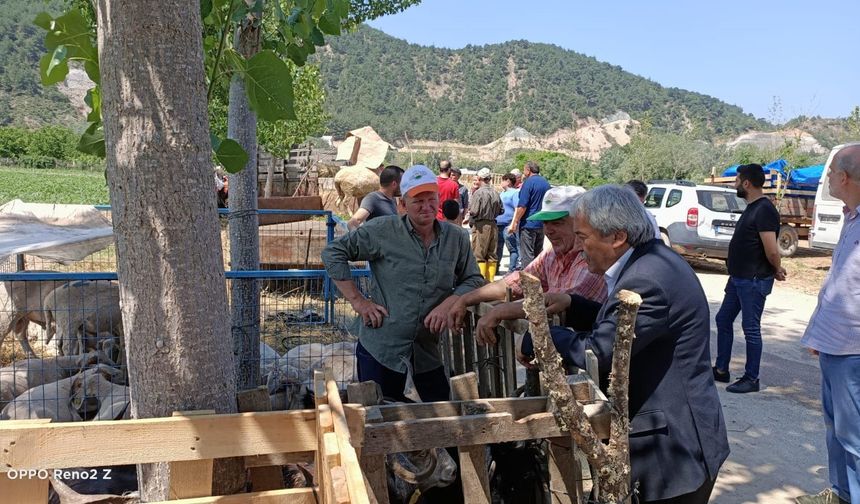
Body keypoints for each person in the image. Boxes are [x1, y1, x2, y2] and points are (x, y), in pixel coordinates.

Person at [516, 185, 729, 503]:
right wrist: (573, 303)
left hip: (673, 455)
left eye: (584, 237)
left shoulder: (647, 279)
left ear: (616, 237)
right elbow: (621, 326)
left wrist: (539, 336)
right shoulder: (648, 261)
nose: (579, 246)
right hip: (671, 442)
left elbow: (599, 352)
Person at [321, 165, 484, 402]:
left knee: (438, 419)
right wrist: (359, 302)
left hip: (426, 349)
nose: (426, 206)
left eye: (431, 199)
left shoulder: (456, 237)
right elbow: (333, 253)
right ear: (403, 204)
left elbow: (473, 278)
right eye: (418, 200)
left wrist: (448, 303)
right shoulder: (382, 231)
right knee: (380, 420)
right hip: (382, 345)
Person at [449, 185, 606, 344]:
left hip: (585, 359)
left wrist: (499, 312)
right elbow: (516, 283)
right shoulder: (553, 253)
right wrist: (465, 299)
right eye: (545, 223)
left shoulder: (592, 258)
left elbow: (556, 303)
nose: (548, 230)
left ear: (581, 222)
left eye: (557, 222)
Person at [796, 144, 860, 504]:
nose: (829, 177)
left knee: (855, 439)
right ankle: (839, 494)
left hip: (854, 352)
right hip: (834, 345)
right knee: (837, 431)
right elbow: (842, 283)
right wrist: (819, 330)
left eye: (832, 170)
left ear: (845, 177)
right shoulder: (851, 218)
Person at [712, 163, 787, 394]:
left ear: (746, 183)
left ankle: (751, 378)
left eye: (736, 181)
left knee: (751, 328)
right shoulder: (753, 207)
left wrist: (777, 268)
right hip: (738, 278)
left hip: (753, 279)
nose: (735, 185)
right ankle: (721, 369)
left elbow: (771, 249)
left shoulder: (764, 209)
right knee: (723, 319)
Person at [508, 161, 551, 269]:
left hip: (528, 224)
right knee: (538, 256)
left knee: (527, 257)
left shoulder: (528, 183)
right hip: (542, 223)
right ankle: (538, 281)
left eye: (524, 170)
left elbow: (522, 206)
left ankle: (528, 284)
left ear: (528, 170)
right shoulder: (546, 183)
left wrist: (515, 222)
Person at [468, 168, 503, 282]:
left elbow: (474, 211)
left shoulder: (478, 193)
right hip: (493, 224)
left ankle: (480, 282)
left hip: (481, 226)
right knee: (492, 254)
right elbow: (501, 210)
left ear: (479, 178)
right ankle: (490, 281)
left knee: (479, 253)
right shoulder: (496, 193)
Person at [347, 165, 404, 230]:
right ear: (394, 184)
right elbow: (352, 223)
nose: (404, 186)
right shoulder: (372, 199)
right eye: (402, 183)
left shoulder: (393, 199)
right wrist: (362, 239)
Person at [496, 173, 520, 272]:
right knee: (498, 248)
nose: (501, 183)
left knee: (512, 248)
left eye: (503, 180)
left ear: (508, 181)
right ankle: (496, 267)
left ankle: (511, 270)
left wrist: (513, 224)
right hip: (498, 225)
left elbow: (517, 208)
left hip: (508, 225)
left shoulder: (515, 193)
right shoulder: (502, 193)